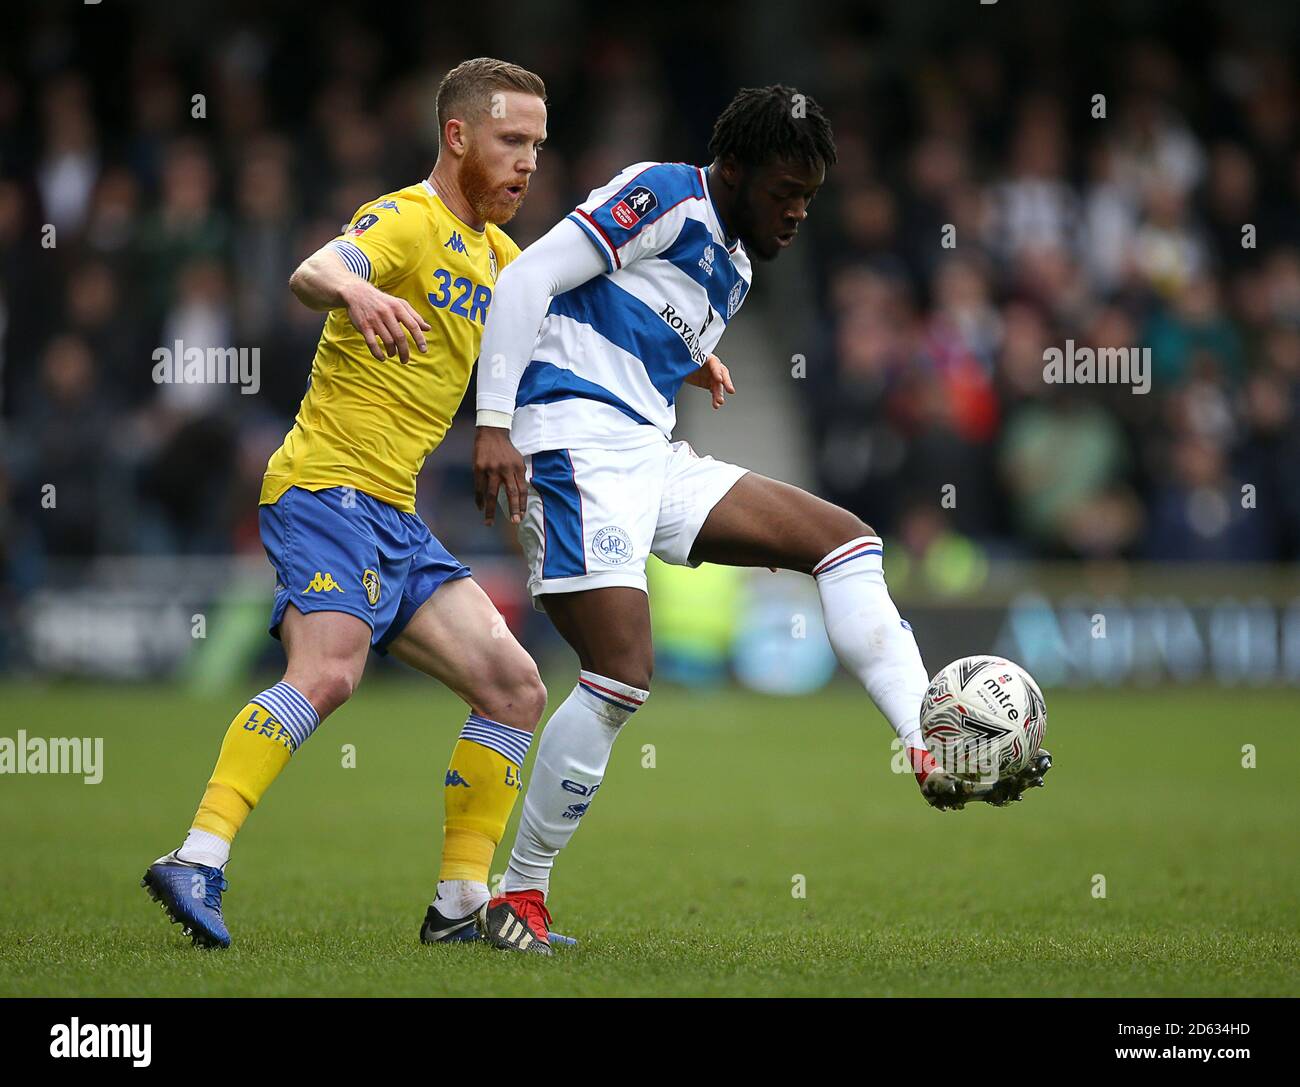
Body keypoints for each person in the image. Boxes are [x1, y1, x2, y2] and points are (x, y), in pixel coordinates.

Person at [470, 85, 1049, 954]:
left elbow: (632, 307)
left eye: (810, 198)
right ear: (733, 170)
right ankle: (520, 894)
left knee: (843, 538)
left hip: (645, 450)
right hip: (571, 441)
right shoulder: (664, 192)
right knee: (622, 672)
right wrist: (494, 421)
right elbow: (531, 277)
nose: (796, 213)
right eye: (784, 192)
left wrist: (685, 354)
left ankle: (924, 741)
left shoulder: (735, 265)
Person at [142, 58, 554, 950]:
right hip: (325, 486)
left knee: (515, 687)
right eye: (511, 141)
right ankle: (196, 856)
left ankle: (457, 905)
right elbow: (314, 269)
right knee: (329, 672)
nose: (527, 162)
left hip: (395, 518)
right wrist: (360, 288)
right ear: (458, 137)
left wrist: (685, 355)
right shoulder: (408, 219)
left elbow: (583, 328)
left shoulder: (506, 262)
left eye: (536, 146)